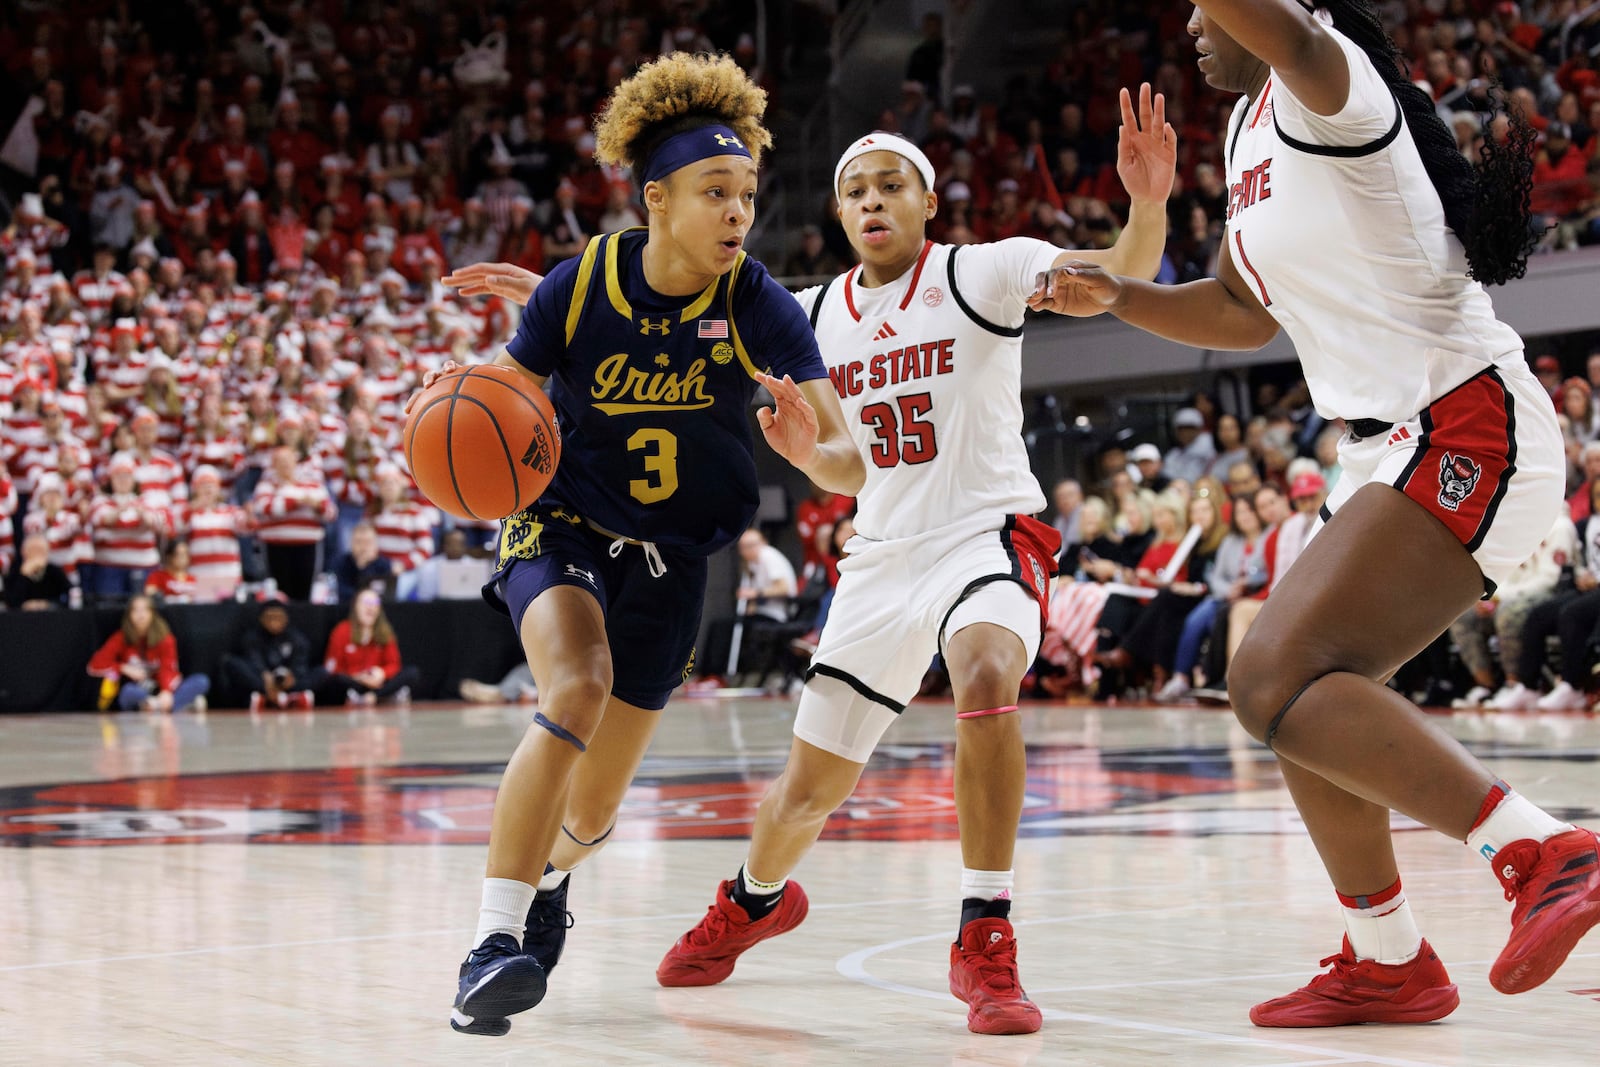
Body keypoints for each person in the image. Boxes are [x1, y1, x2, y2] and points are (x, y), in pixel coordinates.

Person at [1038, 0, 1599, 1027]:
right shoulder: (1248, 131)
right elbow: (1239, 311)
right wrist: (1117, 292)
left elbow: (1285, 30)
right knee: (1302, 698)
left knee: (1269, 674)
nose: (1192, 28)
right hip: (1378, 443)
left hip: (1462, 417)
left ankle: (1540, 848)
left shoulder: (1325, 78)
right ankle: (1387, 954)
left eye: (1205, 10)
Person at [657, 85, 1174, 1035]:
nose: (870, 202)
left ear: (927, 201)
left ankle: (985, 933)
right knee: (805, 790)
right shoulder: (810, 311)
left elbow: (1124, 275)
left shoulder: (984, 272)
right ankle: (756, 896)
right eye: (854, 190)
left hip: (986, 532)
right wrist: (805, 451)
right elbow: (847, 463)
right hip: (883, 554)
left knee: (984, 669)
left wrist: (1146, 206)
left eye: (890, 184)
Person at [422, 53, 865, 1037]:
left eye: (747, 193)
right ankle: (491, 944)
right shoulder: (577, 289)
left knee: (594, 815)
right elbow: (502, 401)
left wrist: (812, 451)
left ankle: (546, 879)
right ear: (655, 199)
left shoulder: (757, 304)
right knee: (571, 687)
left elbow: (851, 459)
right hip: (563, 523)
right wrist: (457, 417)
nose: (738, 213)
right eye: (716, 192)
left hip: (676, 559)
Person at [87, 593, 210, 713]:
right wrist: (123, 668)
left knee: (201, 681)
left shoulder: (165, 638)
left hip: (166, 688)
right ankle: (180, 705)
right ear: (129, 615)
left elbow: (168, 667)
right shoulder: (121, 637)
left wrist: (166, 691)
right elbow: (95, 664)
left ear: (152, 614)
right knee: (127, 693)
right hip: (143, 690)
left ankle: (159, 706)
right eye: (135, 610)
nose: (140, 615)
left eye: (145, 610)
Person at [317, 589, 420, 707]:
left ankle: (375, 696)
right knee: (335, 680)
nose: (370, 607)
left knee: (412, 673)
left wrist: (382, 673)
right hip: (354, 682)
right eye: (366, 602)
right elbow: (332, 668)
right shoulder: (342, 631)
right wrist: (359, 677)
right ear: (356, 606)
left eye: (375, 603)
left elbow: (394, 664)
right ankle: (382, 696)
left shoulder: (385, 632)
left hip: (379, 683)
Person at [223, 599, 323, 710]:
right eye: (270, 617)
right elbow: (253, 660)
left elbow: (300, 663)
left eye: (278, 617)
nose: (274, 621)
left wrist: (293, 676)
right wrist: (264, 675)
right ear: (261, 618)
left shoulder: (297, 639)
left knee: (321, 671)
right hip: (263, 681)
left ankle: (291, 697)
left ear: (286, 618)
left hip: (289, 682)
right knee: (232, 662)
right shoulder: (252, 638)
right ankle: (274, 698)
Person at [5, 532, 71, 610]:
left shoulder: (54, 571)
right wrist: (24, 575)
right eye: (32, 549)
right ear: (23, 552)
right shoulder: (15, 572)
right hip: (21, 619)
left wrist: (47, 604)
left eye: (40, 550)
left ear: (47, 552)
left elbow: (70, 596)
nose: (36, 553)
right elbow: (10, 601)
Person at [334, 521, 396, 602]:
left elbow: (386, 596)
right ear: (351, 543)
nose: (363, 547)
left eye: (367, 542)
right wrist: (361, 567)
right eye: (358, 542)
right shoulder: (341, 563)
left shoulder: (384, 565)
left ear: (375, 544)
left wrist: (366, 567)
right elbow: (341, 593)